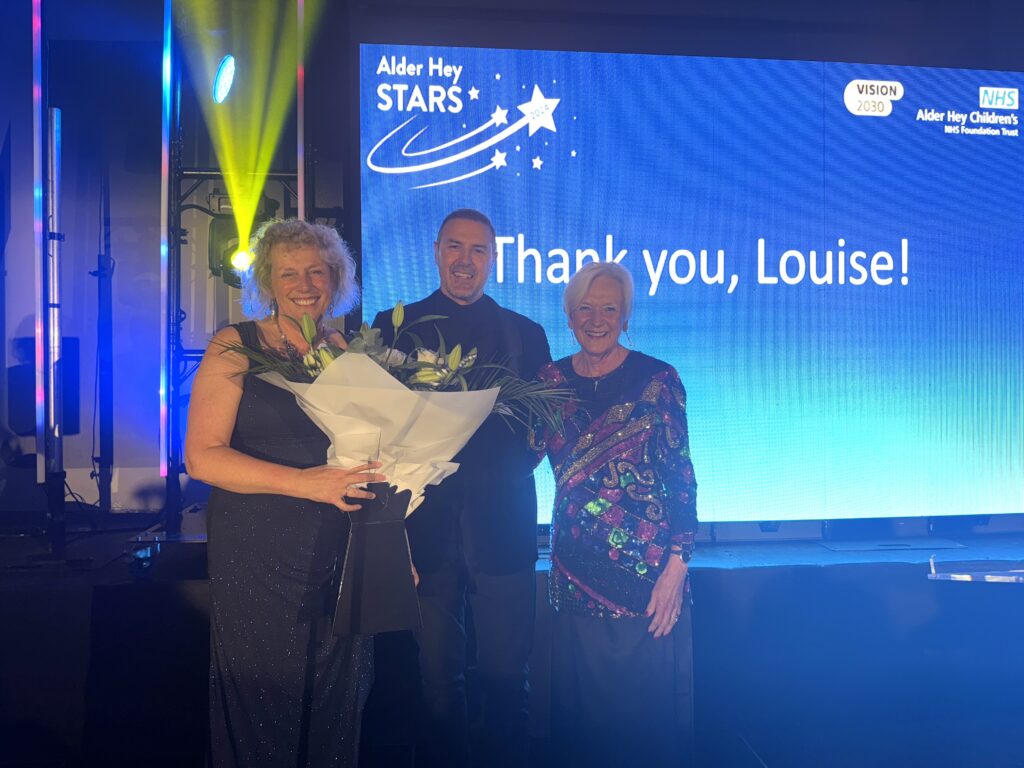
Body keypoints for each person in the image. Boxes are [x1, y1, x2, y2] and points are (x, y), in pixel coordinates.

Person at [185, 219, 385, 767]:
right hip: (259, 552)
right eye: (288, 272)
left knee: (338, 701)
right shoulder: (236, 345)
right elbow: (202, 456)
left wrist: (394, 544)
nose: (304, 284)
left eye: (316, 272)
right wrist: (304, 484)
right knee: (262, 705)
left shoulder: (349, 352)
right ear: (268, 284)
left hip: (339, 551)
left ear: (336, 280)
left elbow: (372, 458)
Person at [372, 209, 551, 768]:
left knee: (505, 677)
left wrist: (513, 463)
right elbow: (373, 433)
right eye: (455, 247)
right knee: (436, 683)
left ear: (494, 259)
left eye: (478, 250)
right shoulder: (394, 328)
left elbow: (543, 430)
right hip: (423, 534)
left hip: (505, 529)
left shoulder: (526, 334)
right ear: (435, 251)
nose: (465, 260)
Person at [534, 260, 698, 767]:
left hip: (647, 581)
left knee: (641, 725)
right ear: (569, 317)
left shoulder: (658, 380)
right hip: (573, 575)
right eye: (586, 308)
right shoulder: (550, 381)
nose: (597, 318)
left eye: (610, 308)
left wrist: (677, 567)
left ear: (626, 317)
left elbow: (681, 479)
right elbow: (516, 457)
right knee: (580, 723)